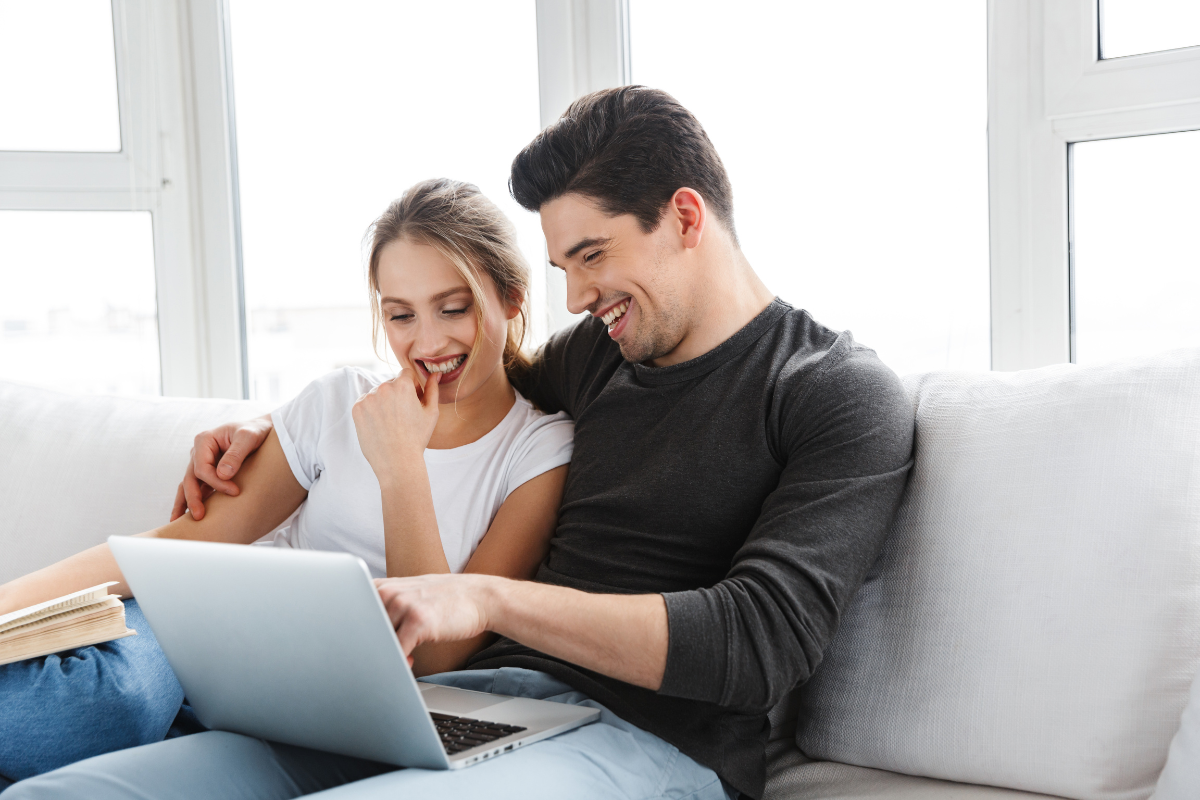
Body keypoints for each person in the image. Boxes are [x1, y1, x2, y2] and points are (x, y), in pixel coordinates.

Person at [8, 86, 915, 800]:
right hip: (467, 712)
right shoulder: (600, 358)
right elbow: (460, 377)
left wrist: (487, 599)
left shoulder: (835, 394)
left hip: (654, 746)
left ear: (684, 217)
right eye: (562, 268)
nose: (576, 297)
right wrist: (269, 428)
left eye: (593, 255)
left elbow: (758, 644)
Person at [0, 179, 574, 786]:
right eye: (401, 315)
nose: (427, 342)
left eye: (452, 308)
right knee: (108, 698)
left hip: (330, 701)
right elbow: (183, 543)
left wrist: (401, 465)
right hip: (202, 643)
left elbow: (434, 658)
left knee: (99, 725)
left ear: (511, 297)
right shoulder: (339, 401)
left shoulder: (539, 450)